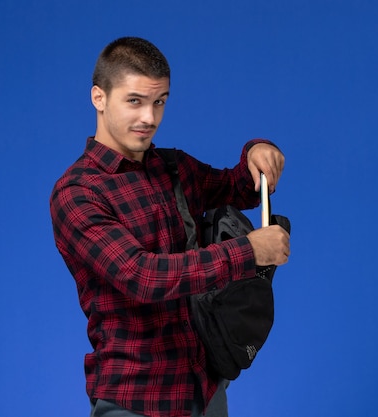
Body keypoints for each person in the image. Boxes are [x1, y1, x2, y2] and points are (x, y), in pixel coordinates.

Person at [50, 37, 290, 417]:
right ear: (99, 97)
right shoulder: (78, 193)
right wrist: (249, 252)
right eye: (135, 101)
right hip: (136, 400)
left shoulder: (172, 167)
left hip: (205, 388)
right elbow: (142, 276)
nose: (149, 117)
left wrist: (257, 152)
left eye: (159, 101)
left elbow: (236, 186)